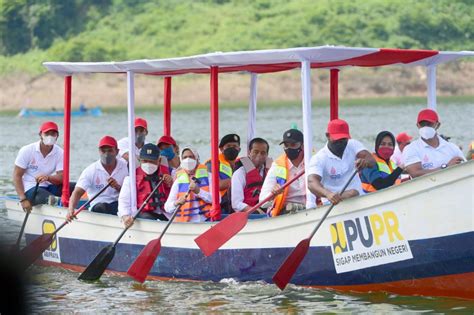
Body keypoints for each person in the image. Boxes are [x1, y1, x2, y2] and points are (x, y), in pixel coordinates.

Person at [308, 119, 375, 205]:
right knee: (352, 193)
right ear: (328, 136)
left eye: (343, 139)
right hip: (333, 203)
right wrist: (327, 194)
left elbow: (372, 160)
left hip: (359, 199)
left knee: (353, 193)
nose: (341, 143)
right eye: (337, 139)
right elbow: (311, 182)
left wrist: (364, 162)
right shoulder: (319, 158)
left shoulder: (353, 144)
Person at [66, 136, 128, 220]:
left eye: (110, 151)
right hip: (98, 207)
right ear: (99, 151)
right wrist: (71, 209)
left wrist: (117, 187)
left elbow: (131, 194)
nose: (106, 154)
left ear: (117, 152)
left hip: (118, 205)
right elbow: (77, 192)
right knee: (101, 207)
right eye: (103, 151)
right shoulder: (91, 170)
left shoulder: (126, 167)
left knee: (125, 206)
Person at [13, 121, 67, 212]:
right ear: (40, 134)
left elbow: (62, 177)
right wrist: (23, 199)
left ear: (57, 136)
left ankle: (82, 207)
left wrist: (48, 178)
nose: (50, 136)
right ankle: (61, 204)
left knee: (74, 187)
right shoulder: (27, 150)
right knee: (46, 197)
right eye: (46, 133)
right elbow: (16, 176)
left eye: (53, 134)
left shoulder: (60, 152)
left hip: (48, 186)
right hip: (31, 188)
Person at [118, 143, 173, 227]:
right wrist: (125, 217)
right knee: (148, 219)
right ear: (140, 160)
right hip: (143, 214)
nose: (148, 164)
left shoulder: (170, 174)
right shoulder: (131, 179)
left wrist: (172, 183)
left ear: (159, 160)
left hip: (165, 214)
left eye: (152, 161)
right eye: (145, 161)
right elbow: (123, 202)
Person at [403, 109, 465, 178]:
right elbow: (416, 174)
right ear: (417, 125)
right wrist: (446, 167)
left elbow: (466, 169)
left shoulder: (452, 148)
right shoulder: (411, 148)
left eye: (429, 124)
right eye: (422, 124)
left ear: (438, 125)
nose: (425, 127)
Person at [260, 129, 306, 216]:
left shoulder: (313, 162)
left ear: (303, 146)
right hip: (285, 213)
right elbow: (262, 202)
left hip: (312, 209)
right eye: (286, 145)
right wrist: (272, 194)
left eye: (293, 145)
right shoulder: (277, 166)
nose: (289, 148)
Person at [165, 147, 214, 222]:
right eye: (185, 157)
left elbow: (217, 200)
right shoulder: (178, 181)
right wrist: (176, 203)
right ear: (181, 161)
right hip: (187, 224)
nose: (188, 160)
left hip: (206, 220)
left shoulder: (209, 176)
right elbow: (167, 207)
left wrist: (199, 192)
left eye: (191, 157)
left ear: (197, 159)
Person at [231, 138, 272, 212]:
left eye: (263, 153)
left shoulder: (271, 171)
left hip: (268, 211)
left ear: (267, 155)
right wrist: (256, 211)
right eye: (255, 152)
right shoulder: (240, 173)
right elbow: (236, 203)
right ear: (249, 152)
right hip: (248, 215)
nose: (259, 155)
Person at [205, 133, 241, 213]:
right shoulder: (212, 163)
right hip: (220, 206)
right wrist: (238, 181)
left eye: (235, 146)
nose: (232, 148)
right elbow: (216, 185)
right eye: (228, 146)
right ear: (221, 149)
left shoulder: (243, 163)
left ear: (239, 149)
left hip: (238, 204)